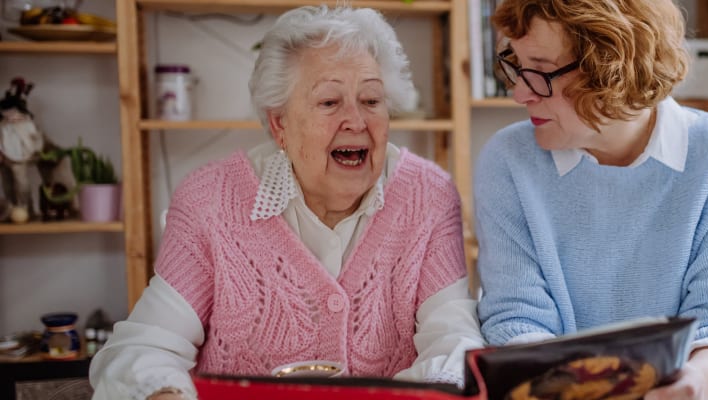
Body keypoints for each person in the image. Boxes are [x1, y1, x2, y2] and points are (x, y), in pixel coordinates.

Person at [90, 6, 483, 399]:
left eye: (371, 100)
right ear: (280, 124)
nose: (357, 121)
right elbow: (141, 349)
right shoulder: (210, 203)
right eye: (329, 102)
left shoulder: (428, 196)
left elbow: (454, 341)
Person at [473, 1, 708, 399]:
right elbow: (516, 317)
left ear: (612, 71)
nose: (519, 92)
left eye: (540, 72)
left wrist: (695, 384)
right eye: (515, 65)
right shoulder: (507, 160)